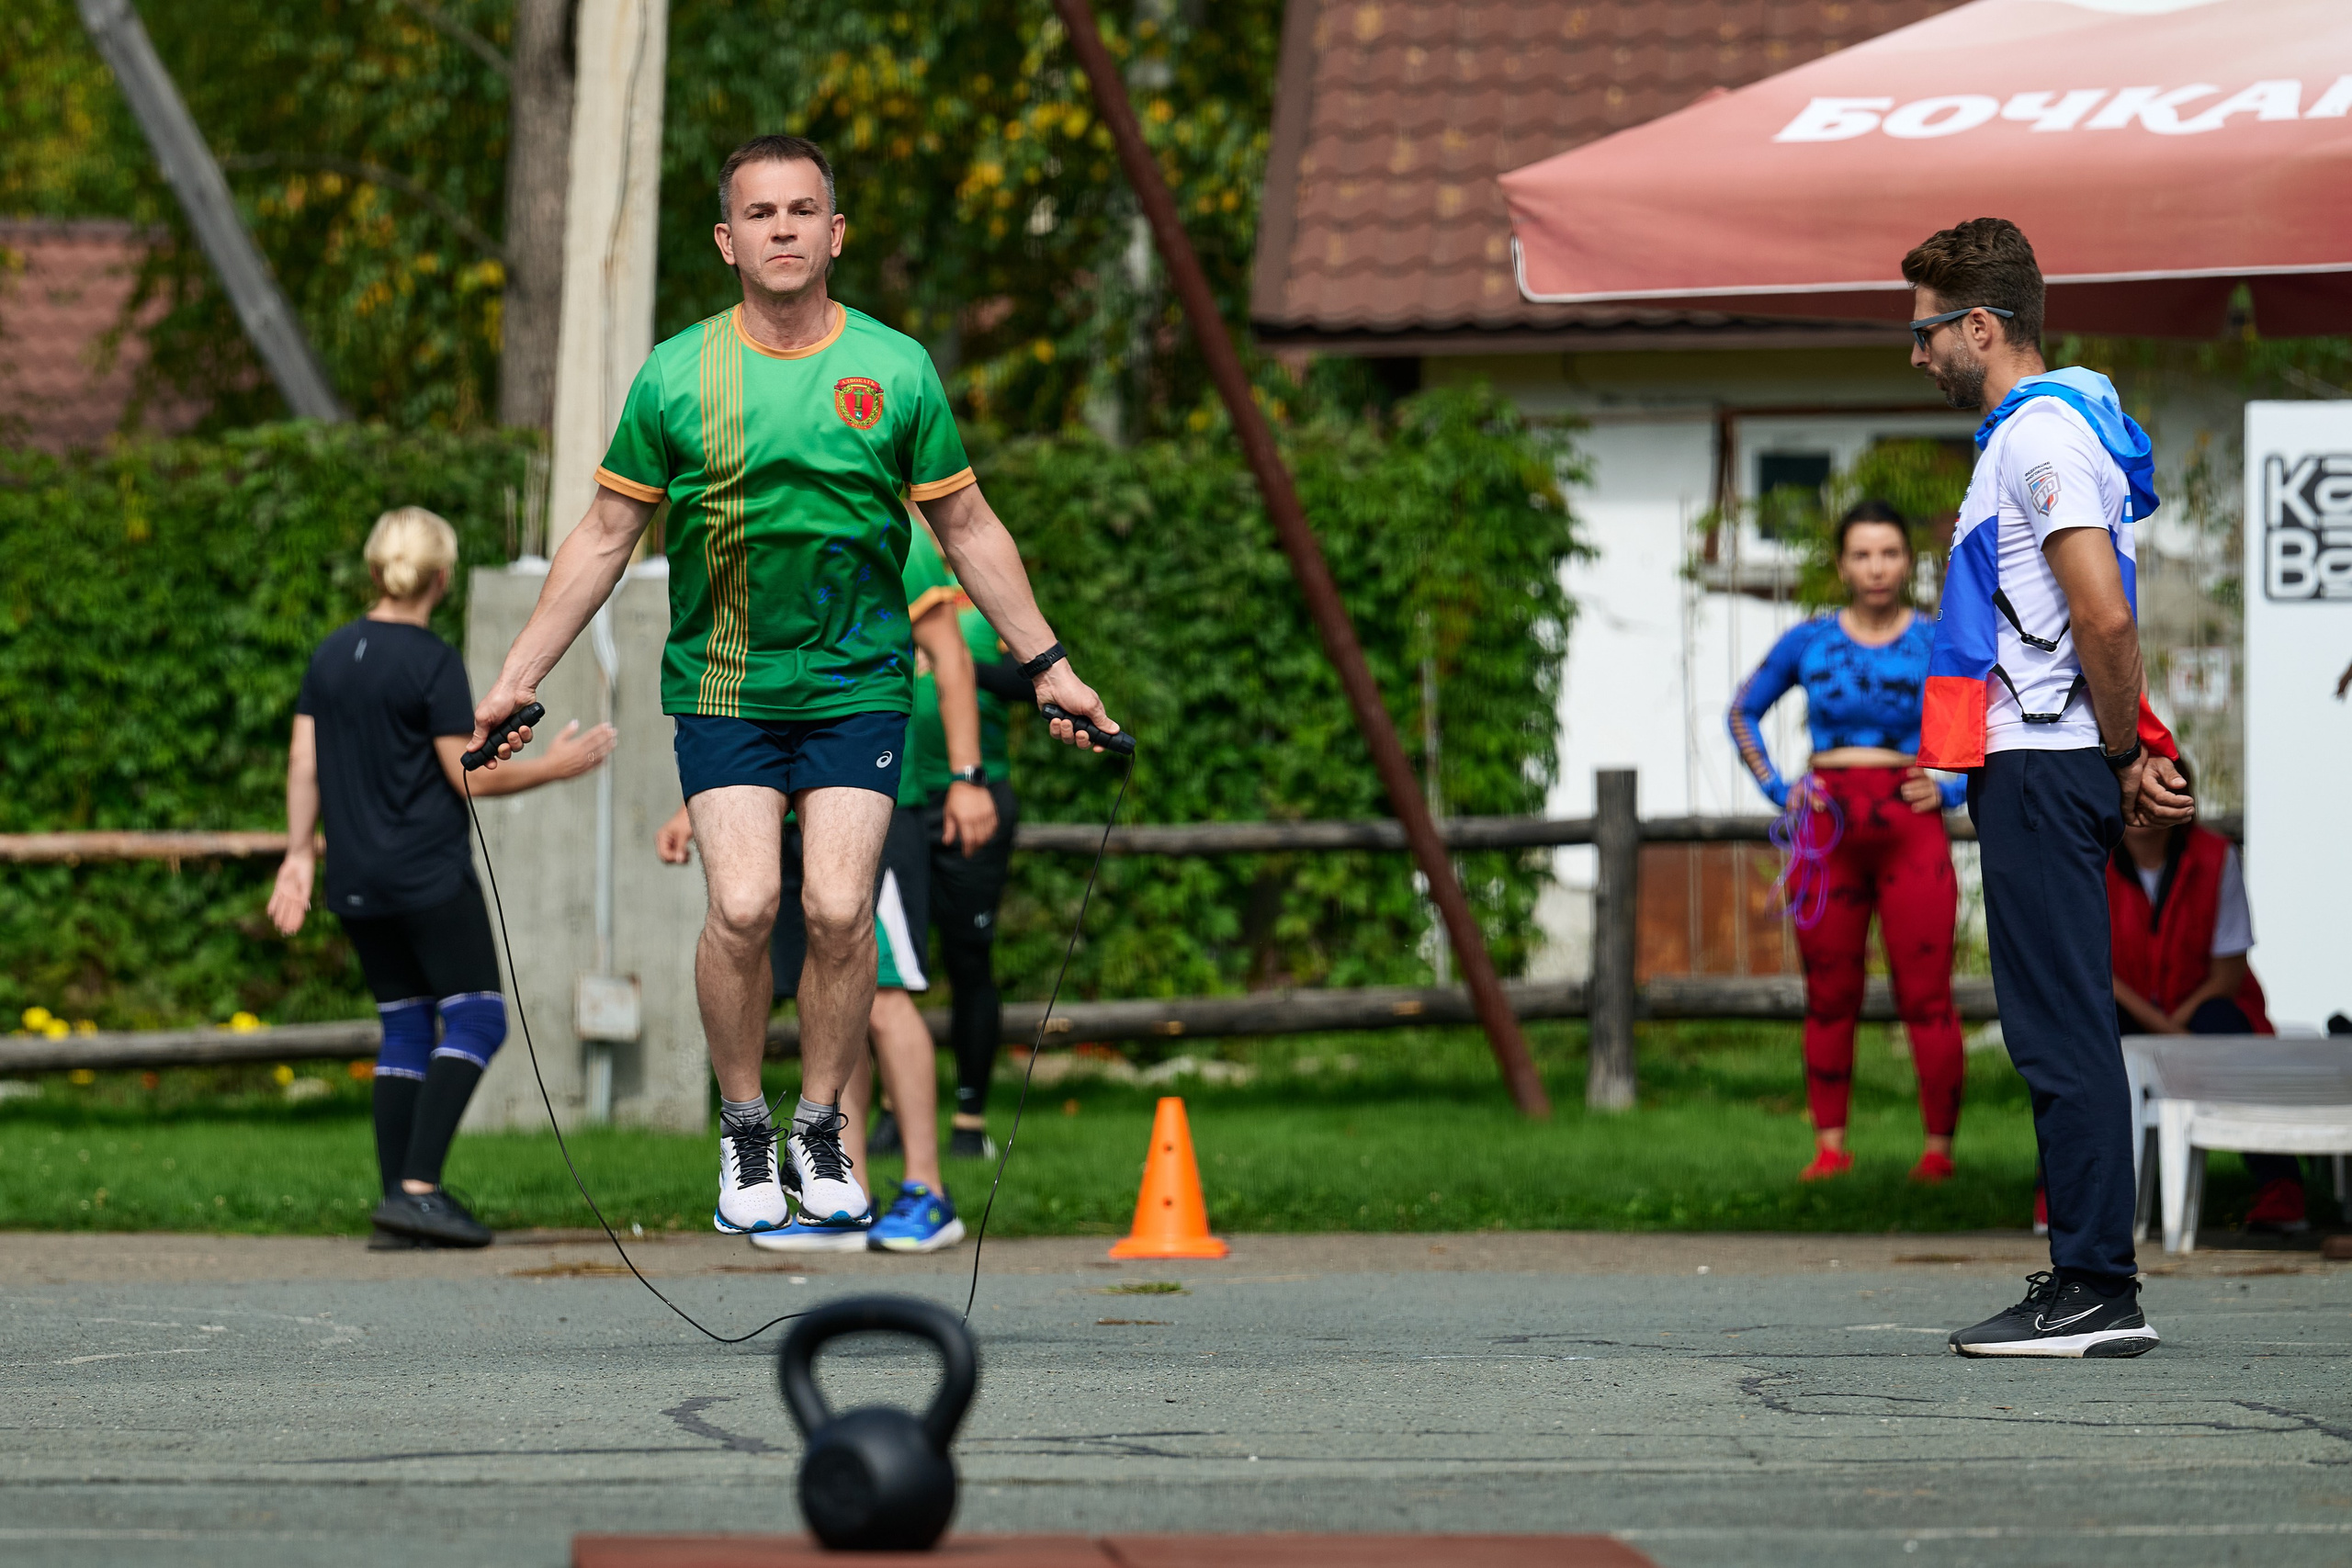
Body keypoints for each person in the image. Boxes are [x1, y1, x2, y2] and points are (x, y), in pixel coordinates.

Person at [469, 134, 1115, 1243]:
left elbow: (966, 528)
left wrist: (1052, 668)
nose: (781, 229)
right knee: (744, 906)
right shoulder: (677, 374)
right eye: (759, 213)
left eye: (801, 210)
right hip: (721, 688)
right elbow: (603, 536)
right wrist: (515, 680)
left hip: (861, 685)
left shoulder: (897, 367)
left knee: (834, 908)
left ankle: (820, 1125)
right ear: (728, 241)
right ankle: (742, 1125)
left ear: (833, 233)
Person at [1905, 218, 2193, 1359]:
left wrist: (2123, 758)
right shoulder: (2045, 432)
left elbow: (2103, 614)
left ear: (1980, 325)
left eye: (1926, 333)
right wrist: (2129, 749)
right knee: (2060, 1025)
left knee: (2061, 1031)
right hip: (2038, 759)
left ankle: (2095, 1289)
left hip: (2039, 767)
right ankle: (2088, 1278)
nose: (1917, 355)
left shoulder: (2038, 439)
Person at [268, 508, 616, 1248]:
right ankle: (421, 1186)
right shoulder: (429, 660)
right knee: (479, 1017)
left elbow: (303, 762)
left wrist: (300, 852)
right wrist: (557, 764)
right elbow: (467, 778)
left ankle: (398, 1202)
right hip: (427, 872)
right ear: (442, 576)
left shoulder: (329, 654)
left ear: (374, 569)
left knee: (404, 1023)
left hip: (356, 876)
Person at [650, 516, 989, 1252]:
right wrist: (693, 804)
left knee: (885, 995)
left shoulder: (902, 530)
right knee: (826, 997)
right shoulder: (779, 523)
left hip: (880, 798)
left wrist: (968, 776)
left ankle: (928, 1188)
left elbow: (950, 656)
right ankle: (841, 1188)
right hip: (799, 799)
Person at [1728, 501, 1967, 1186]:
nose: (1876, 567)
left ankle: (1939, 1152)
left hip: (1909, 823)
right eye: (1862, 554)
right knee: (1830, 993)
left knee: (1927, 995)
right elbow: (1743, 711)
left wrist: (1951, 791)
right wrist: (1779, 789)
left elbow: (1984, 716)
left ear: (1907, 562)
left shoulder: (1937, 639)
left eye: (1889, 553)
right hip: (1826, 827)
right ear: (1841, 565)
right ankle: (1830, 1147)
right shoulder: (1810, 640)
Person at [870, 510, 1027, 1163]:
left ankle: (969, 1118)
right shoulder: (890, 568)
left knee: (968, 959)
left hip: (974, 799)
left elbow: (1030, 679)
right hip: (893, 794)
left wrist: (952, 663)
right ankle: (887, 1114)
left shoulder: (988, 593)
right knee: (883, 966)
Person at [2106, 759, 2306, 1232]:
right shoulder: (2092, 860)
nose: (2143, 803)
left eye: (2158, 790)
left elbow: (2227, 975)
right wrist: (2167, 1031)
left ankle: (2282, 1188)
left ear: (2181, 799)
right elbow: (2095, 973)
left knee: (2225, 1026)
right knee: (2083, 1034)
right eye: (2134, 790)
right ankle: (2061, 1192)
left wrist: (2181, 1025)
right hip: (2130, 1010)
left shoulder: (2217, 858)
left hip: (2204, 1008)